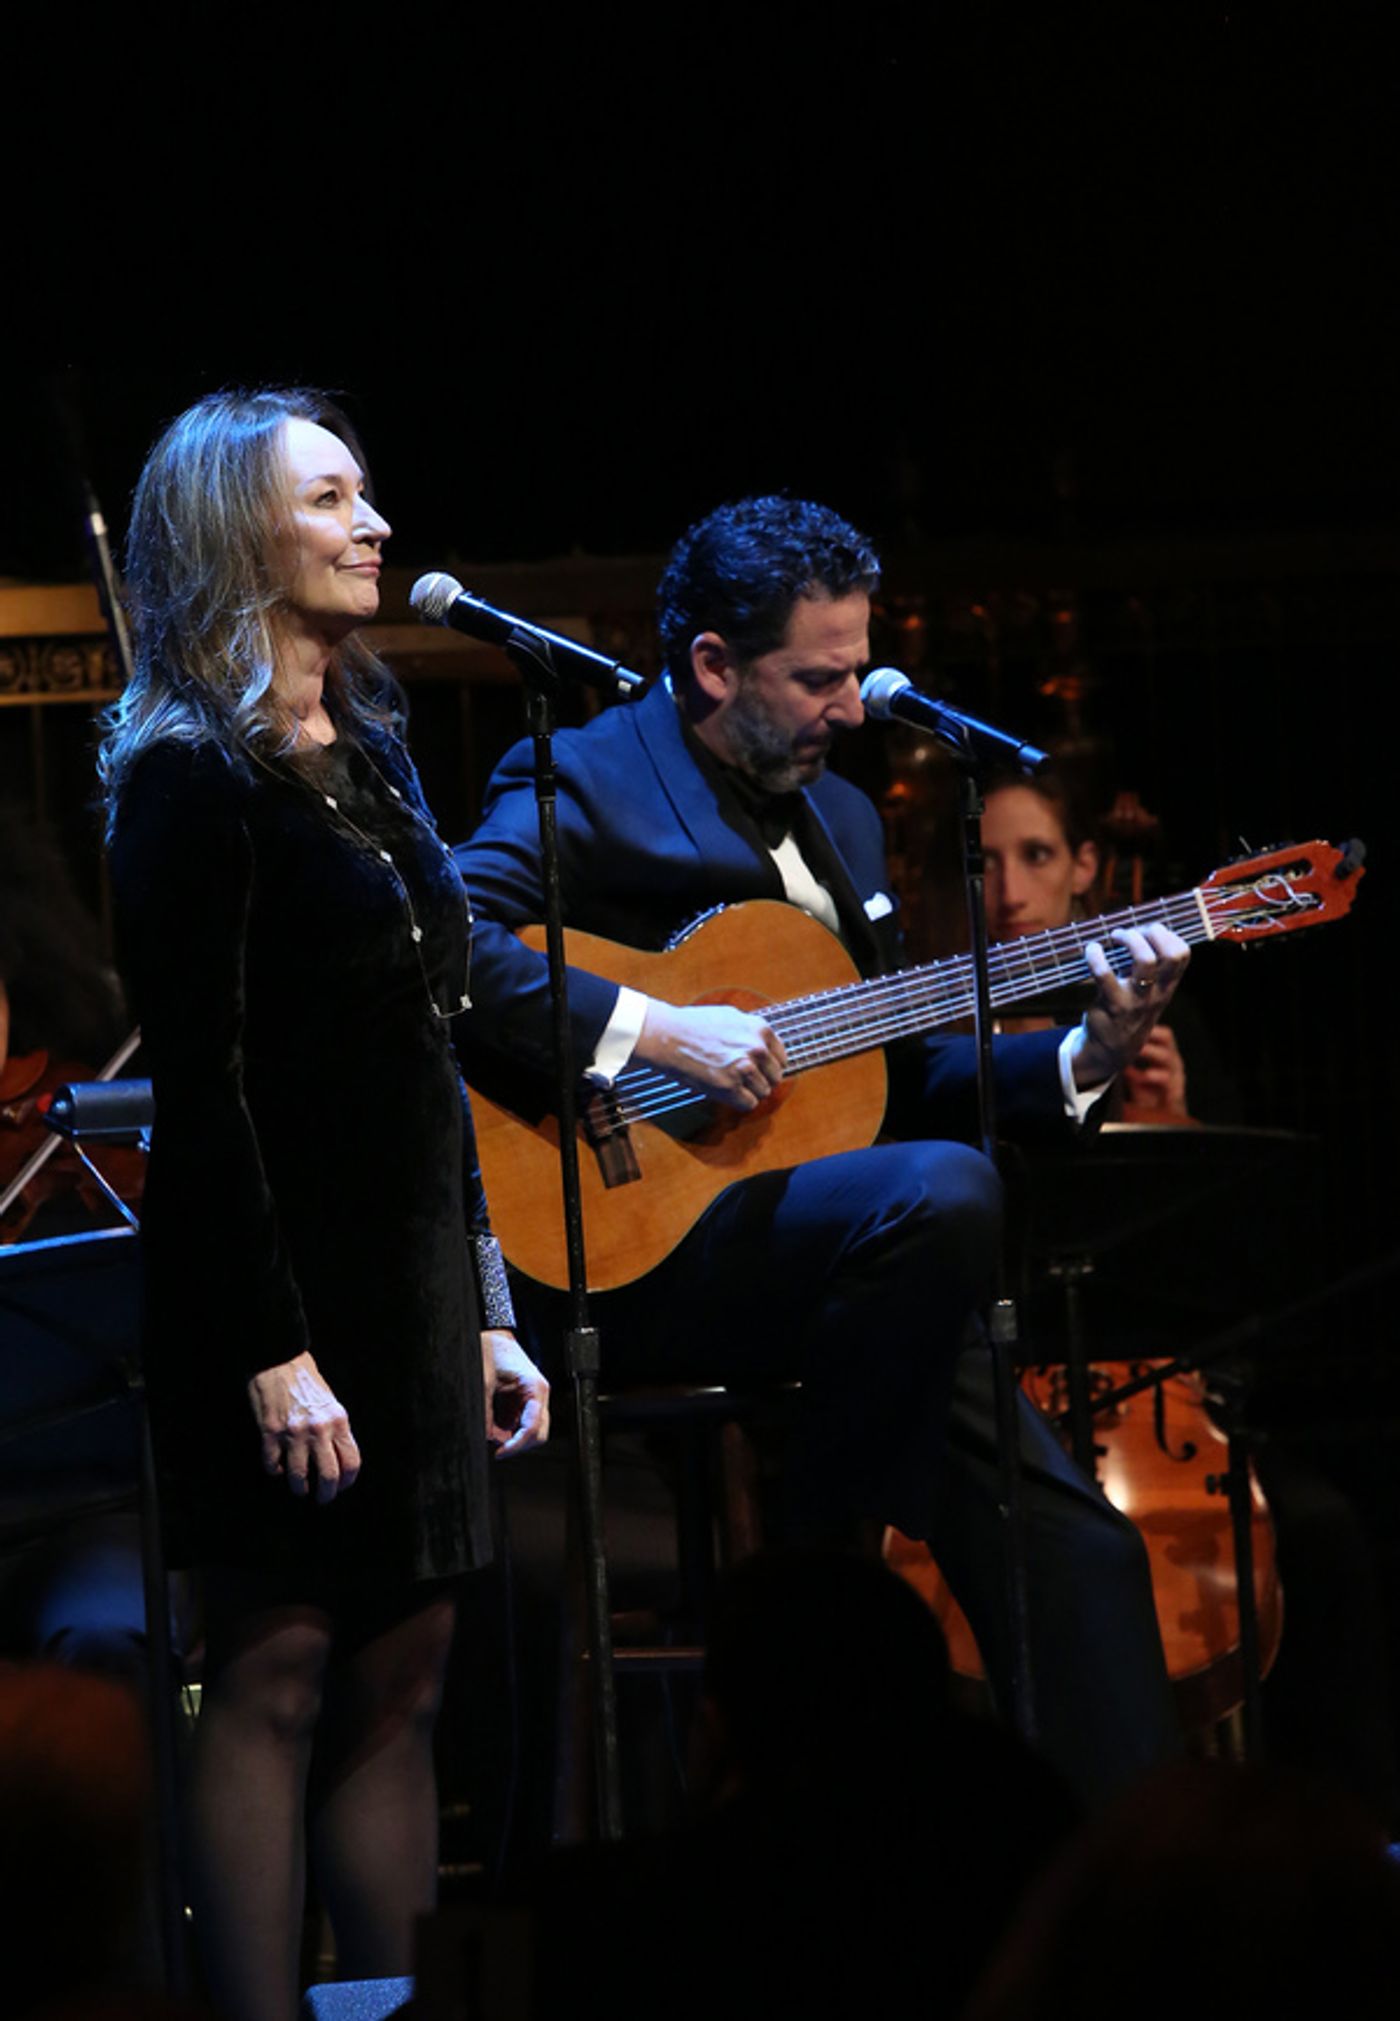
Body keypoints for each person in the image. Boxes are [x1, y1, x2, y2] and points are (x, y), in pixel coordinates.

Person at [454, 495, 1188, 1804]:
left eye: (860, 669)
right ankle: (821, 1558)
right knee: (948, 1190)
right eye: (820, 676)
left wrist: (1086, 1048)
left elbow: (891, 1062)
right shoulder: (591, 774)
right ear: (715, 666)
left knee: (1085, 1553)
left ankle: (1138, 1899)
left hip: (859, 1270)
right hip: (640, 1243)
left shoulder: (843, 821)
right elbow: (454, 946)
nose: (854, 705)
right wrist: (655, 1027)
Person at [100, 388, 549, 2021]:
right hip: (274, 1298)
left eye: (368, 496)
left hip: (418, 1289)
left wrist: (491, 1305)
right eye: (334, 500)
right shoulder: (186, 784)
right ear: (237, 533)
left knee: (406, 1680)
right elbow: (204, 1101)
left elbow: (430, 1051)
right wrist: (274, 1352)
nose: (372, 527)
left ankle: (402, 2008)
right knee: (280, 1670)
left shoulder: (370, 755)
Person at [980, 773, 1191, 1119]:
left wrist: (1170, 1115)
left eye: (1036, 855)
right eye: (985, 863)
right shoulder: (944, 1030)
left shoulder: (1156, 1004)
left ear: (1083, 866)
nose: (1010, 895)